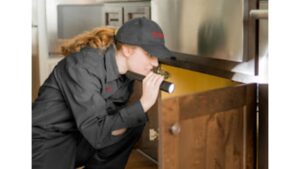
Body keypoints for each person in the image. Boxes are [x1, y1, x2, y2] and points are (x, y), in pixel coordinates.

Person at [32, 17, 172, 169]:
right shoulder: (82, 67)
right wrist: (144, 104)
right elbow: (98, 133)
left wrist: (139, 110)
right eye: (149, 54)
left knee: (133, 123)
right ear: (127, 50)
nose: (155, 63)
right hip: (47, 141)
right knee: (134, 114)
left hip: (81, 138)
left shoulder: (126, 76)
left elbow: (110, 126)